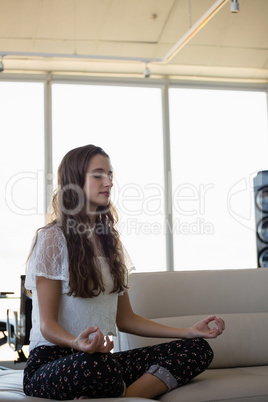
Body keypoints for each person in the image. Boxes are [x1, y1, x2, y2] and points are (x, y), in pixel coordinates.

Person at [23, 144, 225, 400]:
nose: (108, 182)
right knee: (98, 366)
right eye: (98, 175)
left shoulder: (110, 243)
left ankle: (121, 396)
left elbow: (126, 318)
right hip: (53, 363)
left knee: (197, 349)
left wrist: (188, 331)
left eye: (110, 175)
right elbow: (47, 325)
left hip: (99, 360)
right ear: (74, 182)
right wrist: (78, 344)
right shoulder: (51, 239)